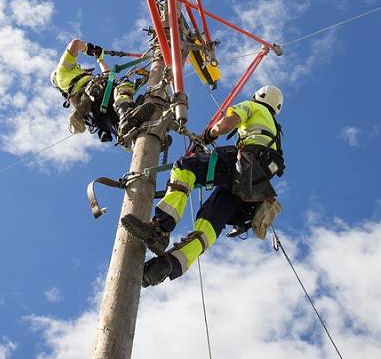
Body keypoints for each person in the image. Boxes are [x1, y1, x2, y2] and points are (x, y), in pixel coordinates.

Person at [121, 84, 285, 286]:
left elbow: (225, 125)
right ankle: (167, 265)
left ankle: (160, 228)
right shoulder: (275, 130)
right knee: (208, 224)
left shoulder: (253, 107)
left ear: (258, 96)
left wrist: (209, 135)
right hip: (255, 189)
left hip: (244, 165)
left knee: (185, 167)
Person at [50, 38, 155, 144]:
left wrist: (100, 60)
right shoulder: (61, 72)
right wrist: (87, 49)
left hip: (95, 110)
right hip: (98, 93)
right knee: (122, 84)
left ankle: (134, 139)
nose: (79, 67)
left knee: (121, 126)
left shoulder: (74, 93)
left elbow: (109, 76)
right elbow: (75, 43)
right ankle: (126, 113)